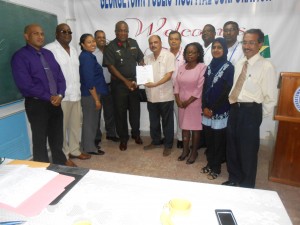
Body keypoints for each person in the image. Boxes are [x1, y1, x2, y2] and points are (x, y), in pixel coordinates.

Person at [11, 24, 76, 166]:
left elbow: (60, 77)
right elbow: (25, 84)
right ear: (26, 36)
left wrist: (60, 94)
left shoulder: (48, 54)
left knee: (57, 137)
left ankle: (60, 163)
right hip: (37, 104)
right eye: (36, 34)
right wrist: (49, 97)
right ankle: (41, 169)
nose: (40, 37)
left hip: (56, 102)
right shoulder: (20, 57)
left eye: (42, 34)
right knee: (40, 140)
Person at [223, 29, 277, 188]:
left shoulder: (266, 66)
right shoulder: (240, 63)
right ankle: (234, 178)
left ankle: (247, 184)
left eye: (251, 42)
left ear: (260, 44)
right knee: (232, 146)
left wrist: (257, 115)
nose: (247, 46)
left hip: (251, 111)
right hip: (235, 108)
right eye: (244, 42)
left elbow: (270, 97)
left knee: (248, 150)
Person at [45, 23, 91, 161]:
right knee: (61, 129)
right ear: (56, 33)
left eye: (69, 32)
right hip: (61, 97)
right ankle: (64, 156)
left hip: (75, 95)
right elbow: (48, 75)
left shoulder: (74, 50)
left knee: (75, 126)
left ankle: (75, 151)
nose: (67, 34)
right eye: (63, 31)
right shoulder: (49, 50)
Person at [103, 21, 144, 151]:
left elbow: (140, 59)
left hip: (134, 83)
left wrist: (141, 76)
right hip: (119, 85)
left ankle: (136, 134)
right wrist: (125, 81)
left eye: (125, 30)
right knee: (120, 113)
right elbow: (110, 67)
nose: (123, 33)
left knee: (135, 112)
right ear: (115, 32)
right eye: (120, 30)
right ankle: (123, 139)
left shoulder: (133, 43)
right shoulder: (111, 47)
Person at [201, 38, 234, 179]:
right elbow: (204, 87)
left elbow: (226, 91)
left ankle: (216, 168)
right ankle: (210, 163)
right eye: (214, 47)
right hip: (207, 110)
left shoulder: (229, 67)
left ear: (225, 50)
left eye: (219, 47)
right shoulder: (209, 66)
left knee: (218, 141)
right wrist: (204, 106)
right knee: (209, 140)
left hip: (219, 110)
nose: (216, 50)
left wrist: (212, 109)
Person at [143, 35, 175, 156]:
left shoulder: (169, 56)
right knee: (154, 121)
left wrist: (155, 84)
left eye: (156, 42)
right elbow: (144, 75)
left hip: (165, 96)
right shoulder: (147, 58)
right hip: (151, 96)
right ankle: (155, 141)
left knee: (167, 122)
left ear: (161, 43)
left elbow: (169, 75)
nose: (153, 45)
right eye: (151, 43)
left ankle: (168, 145)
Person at [174, 42, 206, 164]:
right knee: (184, 127)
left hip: (194, 103)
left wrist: (187, 102)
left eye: (193, 52)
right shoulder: (182, 67)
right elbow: (176, 84)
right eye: (188, 52)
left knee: (196, 129)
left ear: (198, 54)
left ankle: (194, 152)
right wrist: (178, 99)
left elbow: (199, 88)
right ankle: (185, 150)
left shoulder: (202, 67)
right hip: (181, 102)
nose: (190, 54)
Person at [79, 33, 108, 155]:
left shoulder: (89, 56)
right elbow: (89, 81)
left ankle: (88, 146)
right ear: (82, 44)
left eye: (93, 41)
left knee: (91, 121)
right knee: (90, 122)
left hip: (93, 94)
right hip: (90, 95)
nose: (93, 44)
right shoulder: (86, 57)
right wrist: (96, 99)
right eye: (89, 42)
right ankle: (90, 148)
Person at [94, 30, 119, 144]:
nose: (102, 39)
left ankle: (111, 134)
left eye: (103, 37)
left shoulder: (110, 51)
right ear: (95, 39)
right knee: (97, 114)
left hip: (110, 86)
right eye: (99, 37)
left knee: (110, 112)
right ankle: (97, 136)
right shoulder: (92, 53)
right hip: (97, 87)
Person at [168, 30, 185, 149]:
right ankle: (168, 137)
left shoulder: (185, 54)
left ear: (180, 41)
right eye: (171, 39)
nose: (173, 41)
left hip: (180, 91)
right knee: (167, 115)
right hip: (165, 90)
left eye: (176, 39)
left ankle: (180, 138)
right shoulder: (164, 54)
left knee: (180, 115)